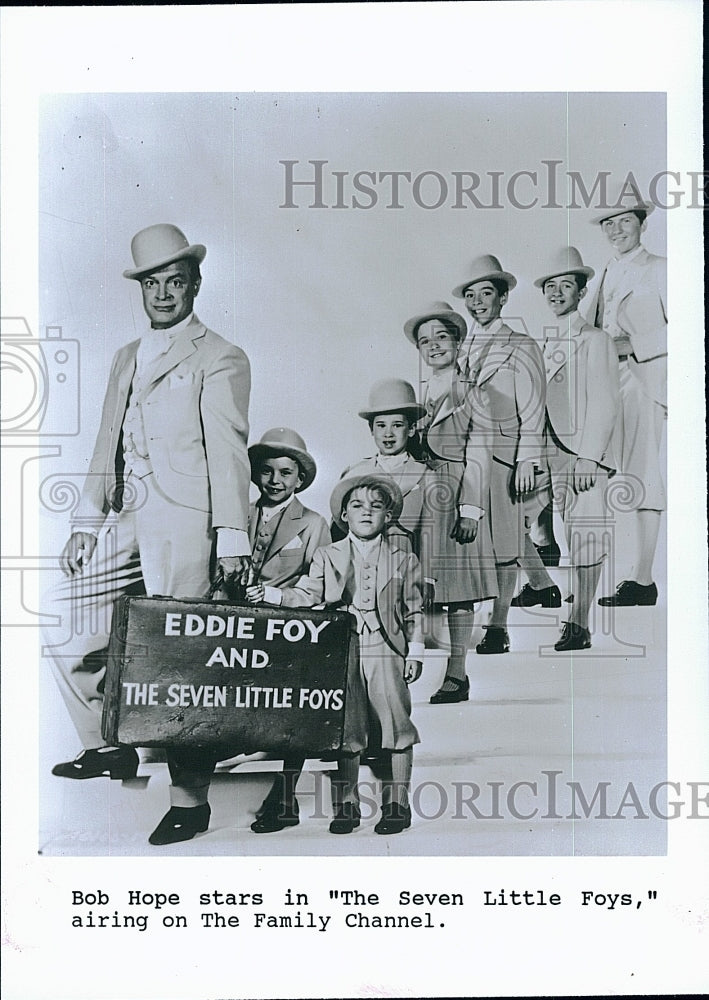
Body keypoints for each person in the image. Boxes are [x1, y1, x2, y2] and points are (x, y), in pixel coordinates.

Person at [44, 223, 252, 846]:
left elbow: (228, 452)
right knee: (70, 627)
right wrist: (86, 522)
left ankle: (190, 800)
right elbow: (106, 441)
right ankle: (112, 744)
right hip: (129, 510)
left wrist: (232, 536)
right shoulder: (126, 357)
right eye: (153, 283)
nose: (164, 293)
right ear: (142, 289)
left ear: (195, 284)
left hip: (188, 519)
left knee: (180, 658)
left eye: (176, 282)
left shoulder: (221, 355)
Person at [253, 475, 424, 836]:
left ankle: (397, 804)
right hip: (342, 647)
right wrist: (271, 596)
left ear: (388, 517)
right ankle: (347, 805)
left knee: (395, 722)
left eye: (376, 507)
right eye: (358, 506)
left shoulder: (403, 558)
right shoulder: (327, 555)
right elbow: (307, 594)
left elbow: (414, 608)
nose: (367, 513)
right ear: (344, 515)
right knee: (348, 727)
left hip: (384, 647)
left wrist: (416, 650)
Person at [515, 247, 619, 650]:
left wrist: (590, 457)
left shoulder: (595, 339)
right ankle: (542, 584)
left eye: (566, 286)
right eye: (550, 287)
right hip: (540, 450)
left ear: (581, 291)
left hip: (579, 453)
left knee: (586, 533)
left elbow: (606, 400)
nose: (557, 293)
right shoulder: (538, 339)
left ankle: (578, 622)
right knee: (506, 521)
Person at [451, 255, 546, 654]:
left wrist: (528, 459)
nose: (476, 302)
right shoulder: (458, 346)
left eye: (485, 293)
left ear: (503, 297)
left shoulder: (520, 345)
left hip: (505, 457)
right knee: (465, 541)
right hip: (464, 460)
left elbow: (534, 407)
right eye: (470, 295)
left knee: (507, 543)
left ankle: (499, 625)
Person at [404, 302, 498, 703]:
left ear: (458, 342)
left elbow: (480, 452)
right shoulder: (416, 393)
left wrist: (471, 508)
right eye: (425, 341)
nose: (433, 346)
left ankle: (457, 673)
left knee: (459, 587)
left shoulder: (474, 393)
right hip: (421, 492)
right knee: (418, 581)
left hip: (457, 490)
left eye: (441, 337)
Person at [583, 180, 667, 607]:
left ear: (642, 223)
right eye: (609, 223)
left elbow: (686, 325)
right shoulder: (602, 275)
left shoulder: (661, 268)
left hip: (642, 380)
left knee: (641, 473)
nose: (617, 230)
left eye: (625, 221)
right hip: (603, 382)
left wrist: (634, 344)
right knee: (592, 469)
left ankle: (644, 579)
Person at [242, 427, 330, 834]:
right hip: (237, 629)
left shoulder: (313, 523)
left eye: (285, 472)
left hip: (286, 630)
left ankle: (284, 795)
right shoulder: (236, 516)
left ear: (300, 479)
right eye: (266, 471)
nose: (275, 481)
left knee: (290, 707)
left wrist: (277, 597)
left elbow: (320, 585)